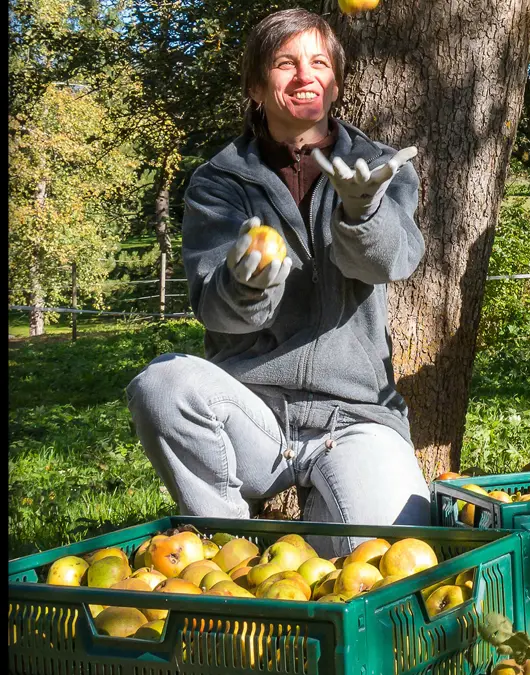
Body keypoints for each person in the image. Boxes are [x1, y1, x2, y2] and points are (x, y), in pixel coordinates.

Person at [126, 9, 429, 555]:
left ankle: (322, 520)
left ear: (335, 81)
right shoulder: (218, 182)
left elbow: (390, 263)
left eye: (317, 62)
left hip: (355, 415)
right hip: (254, 411)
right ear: (256, 85)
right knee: (162, 386)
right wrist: (244, 282)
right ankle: (232, 549)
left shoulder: (379, 168)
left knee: (389, 561)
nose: (304, 75)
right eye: (285, 63)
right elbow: (215, 312)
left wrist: (363, 214)